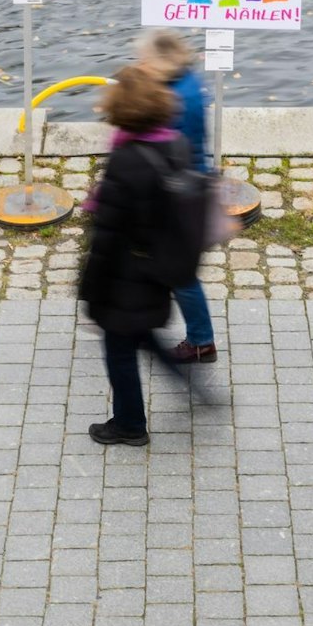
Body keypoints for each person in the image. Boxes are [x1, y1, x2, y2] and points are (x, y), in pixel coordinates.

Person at [78, 65, 199, 447]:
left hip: (124, 276)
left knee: (119, 350)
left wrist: (90, 292)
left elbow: (107, 238)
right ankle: (197, 389)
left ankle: (130, 424)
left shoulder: (125, 161)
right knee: (143, 335)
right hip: (158, 269)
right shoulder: (177, 145)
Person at [135, 29, 219, 363]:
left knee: (179, 273)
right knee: (168, 266)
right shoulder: (187, 82)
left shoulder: (173, 99)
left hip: (178, 196)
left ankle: (201, 341)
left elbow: (163, 148)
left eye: (144, 59)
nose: (140, 64)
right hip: (190, 188)